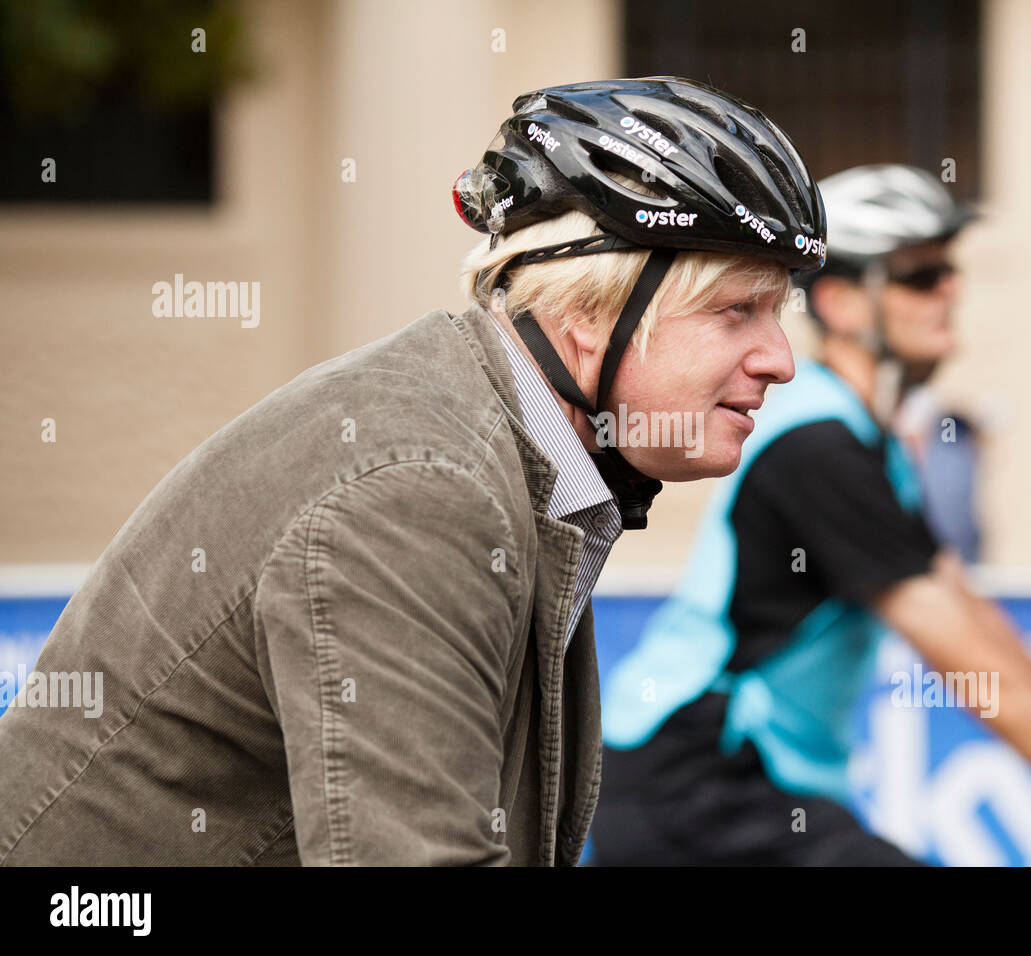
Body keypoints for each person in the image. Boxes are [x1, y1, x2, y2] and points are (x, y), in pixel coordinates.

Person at [0, 76, 826, 866]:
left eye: (777, 311)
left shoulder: (516, 454)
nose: (781, 360)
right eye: (735, 311)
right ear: (586, 315)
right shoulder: (424, 491)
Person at [592, 164, 1031, 866]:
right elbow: (964, 661)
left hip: (742, 783)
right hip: (696, 779)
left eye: (949, 271)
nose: (951, 290)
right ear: (843, 303)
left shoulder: (871, 440)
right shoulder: (821, 445)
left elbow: (978, 627)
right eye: (920, 275)